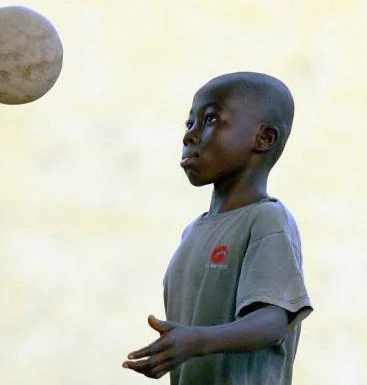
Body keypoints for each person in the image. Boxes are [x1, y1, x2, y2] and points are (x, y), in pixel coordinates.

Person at [122, 72, 313, 384]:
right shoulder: (192, 233)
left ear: (264, 138)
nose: (190, 136)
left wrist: (197, 341)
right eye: (189, 124)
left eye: (210, 119)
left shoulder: (267, 220)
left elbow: (273, 321)